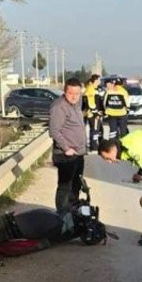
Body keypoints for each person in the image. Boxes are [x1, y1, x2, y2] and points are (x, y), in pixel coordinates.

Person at [48, 78, 87, 214]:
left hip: (78, 154)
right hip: (66, 155)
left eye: (77, 93)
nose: (74, 96)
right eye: (71, 93)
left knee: (76, 185)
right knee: (65, 187)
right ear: (65, 92)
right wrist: (66, 148)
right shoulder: (59, 107)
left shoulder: (76, 105)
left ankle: (72, 213)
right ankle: (62, 216)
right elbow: (54, 131)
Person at [102, 76, 131, 141]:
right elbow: (127, 103)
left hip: (111, 114)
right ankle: (123, 143)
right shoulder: (123, 91)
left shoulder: (109, 91)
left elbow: (104, 103)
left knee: (113, 130)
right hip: (122, 113)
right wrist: (127, 110)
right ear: (121, 84)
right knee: (122, 130)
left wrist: (105, 110)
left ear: (114, 84)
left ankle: (113, 143)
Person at [82, 73, 104, 148]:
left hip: (92, 113)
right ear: (95, 80)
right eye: (99, 80)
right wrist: (96, 112)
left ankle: (94, 144)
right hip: (92, 114)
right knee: (94, 129)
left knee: (97, 129)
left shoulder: (94, 89)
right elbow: (90, 103)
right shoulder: (91, 90)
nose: (100, 81)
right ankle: (93, 146)